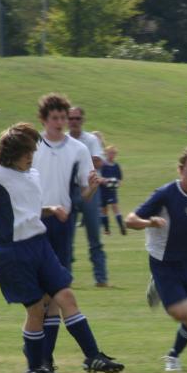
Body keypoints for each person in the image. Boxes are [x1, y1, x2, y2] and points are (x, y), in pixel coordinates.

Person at [0, 122, 123, 373]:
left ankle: (93, 356)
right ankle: (35, 368)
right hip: (13, 252)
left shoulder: (31, 174)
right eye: (27, 153)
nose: (31, 157)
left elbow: (29, 210)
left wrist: (52, 209)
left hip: (40, 246)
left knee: (66, 296)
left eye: (33, 152)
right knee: (36, 309)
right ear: (12, 153)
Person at [126, 145, 187, 372]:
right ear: (180, 170)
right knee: (181, 314)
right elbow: (130, 220)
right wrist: (150, 222)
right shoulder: (165, 194)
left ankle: (173, 355)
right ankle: (157, 285)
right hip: (164, 262)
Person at [31, 93, 101, 373]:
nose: (60, 123)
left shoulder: (78, 149)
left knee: (55, 294)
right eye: (55, 118)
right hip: (34, 222)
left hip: (61, 224)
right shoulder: (32, 144)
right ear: (44, 120)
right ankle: (41, 361)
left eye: (63, 117)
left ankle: (44, 361)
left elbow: (83, 195)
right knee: (42, 298)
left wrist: (93, 187)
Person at [67, 106, 109, 287]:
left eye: (77, 118)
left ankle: (101, 279)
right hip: (69, 190)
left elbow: (99, 161)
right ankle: (65, 278)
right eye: (71, 118)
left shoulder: (90, 139)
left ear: (82, 120)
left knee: (95, 237)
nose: (74, 121)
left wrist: (76, 161)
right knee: (66, 237)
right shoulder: (64, 140)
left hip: (90, 189)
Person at [99, 145, 126, 236]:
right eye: (110, 153)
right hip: (103, 191)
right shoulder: (102, 165)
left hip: (112, 191)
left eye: (114, 153)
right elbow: (99, 177)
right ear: (106, 153)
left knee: (115, 207)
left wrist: (117, 183)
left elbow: (120, 179)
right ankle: (106, 230)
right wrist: (105, 181)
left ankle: (121, 227)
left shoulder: (116, 166)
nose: (112, 155)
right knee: (104, 210)